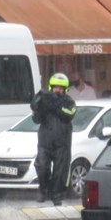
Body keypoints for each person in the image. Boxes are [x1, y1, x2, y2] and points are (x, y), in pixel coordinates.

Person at [31, 72, 77, 206]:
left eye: (60, 88)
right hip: (45, 142)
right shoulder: (45, 100)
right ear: (51, 87)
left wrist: (56, 104)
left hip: (62, 143)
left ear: (65, 89)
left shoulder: (69, 102)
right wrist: (39, 103)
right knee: (42, 167)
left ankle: (56, 195)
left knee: (60, 171)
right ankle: (43, 190)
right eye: (56, 87)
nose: (58, 90)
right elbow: (36, 118)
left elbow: (69, 114)